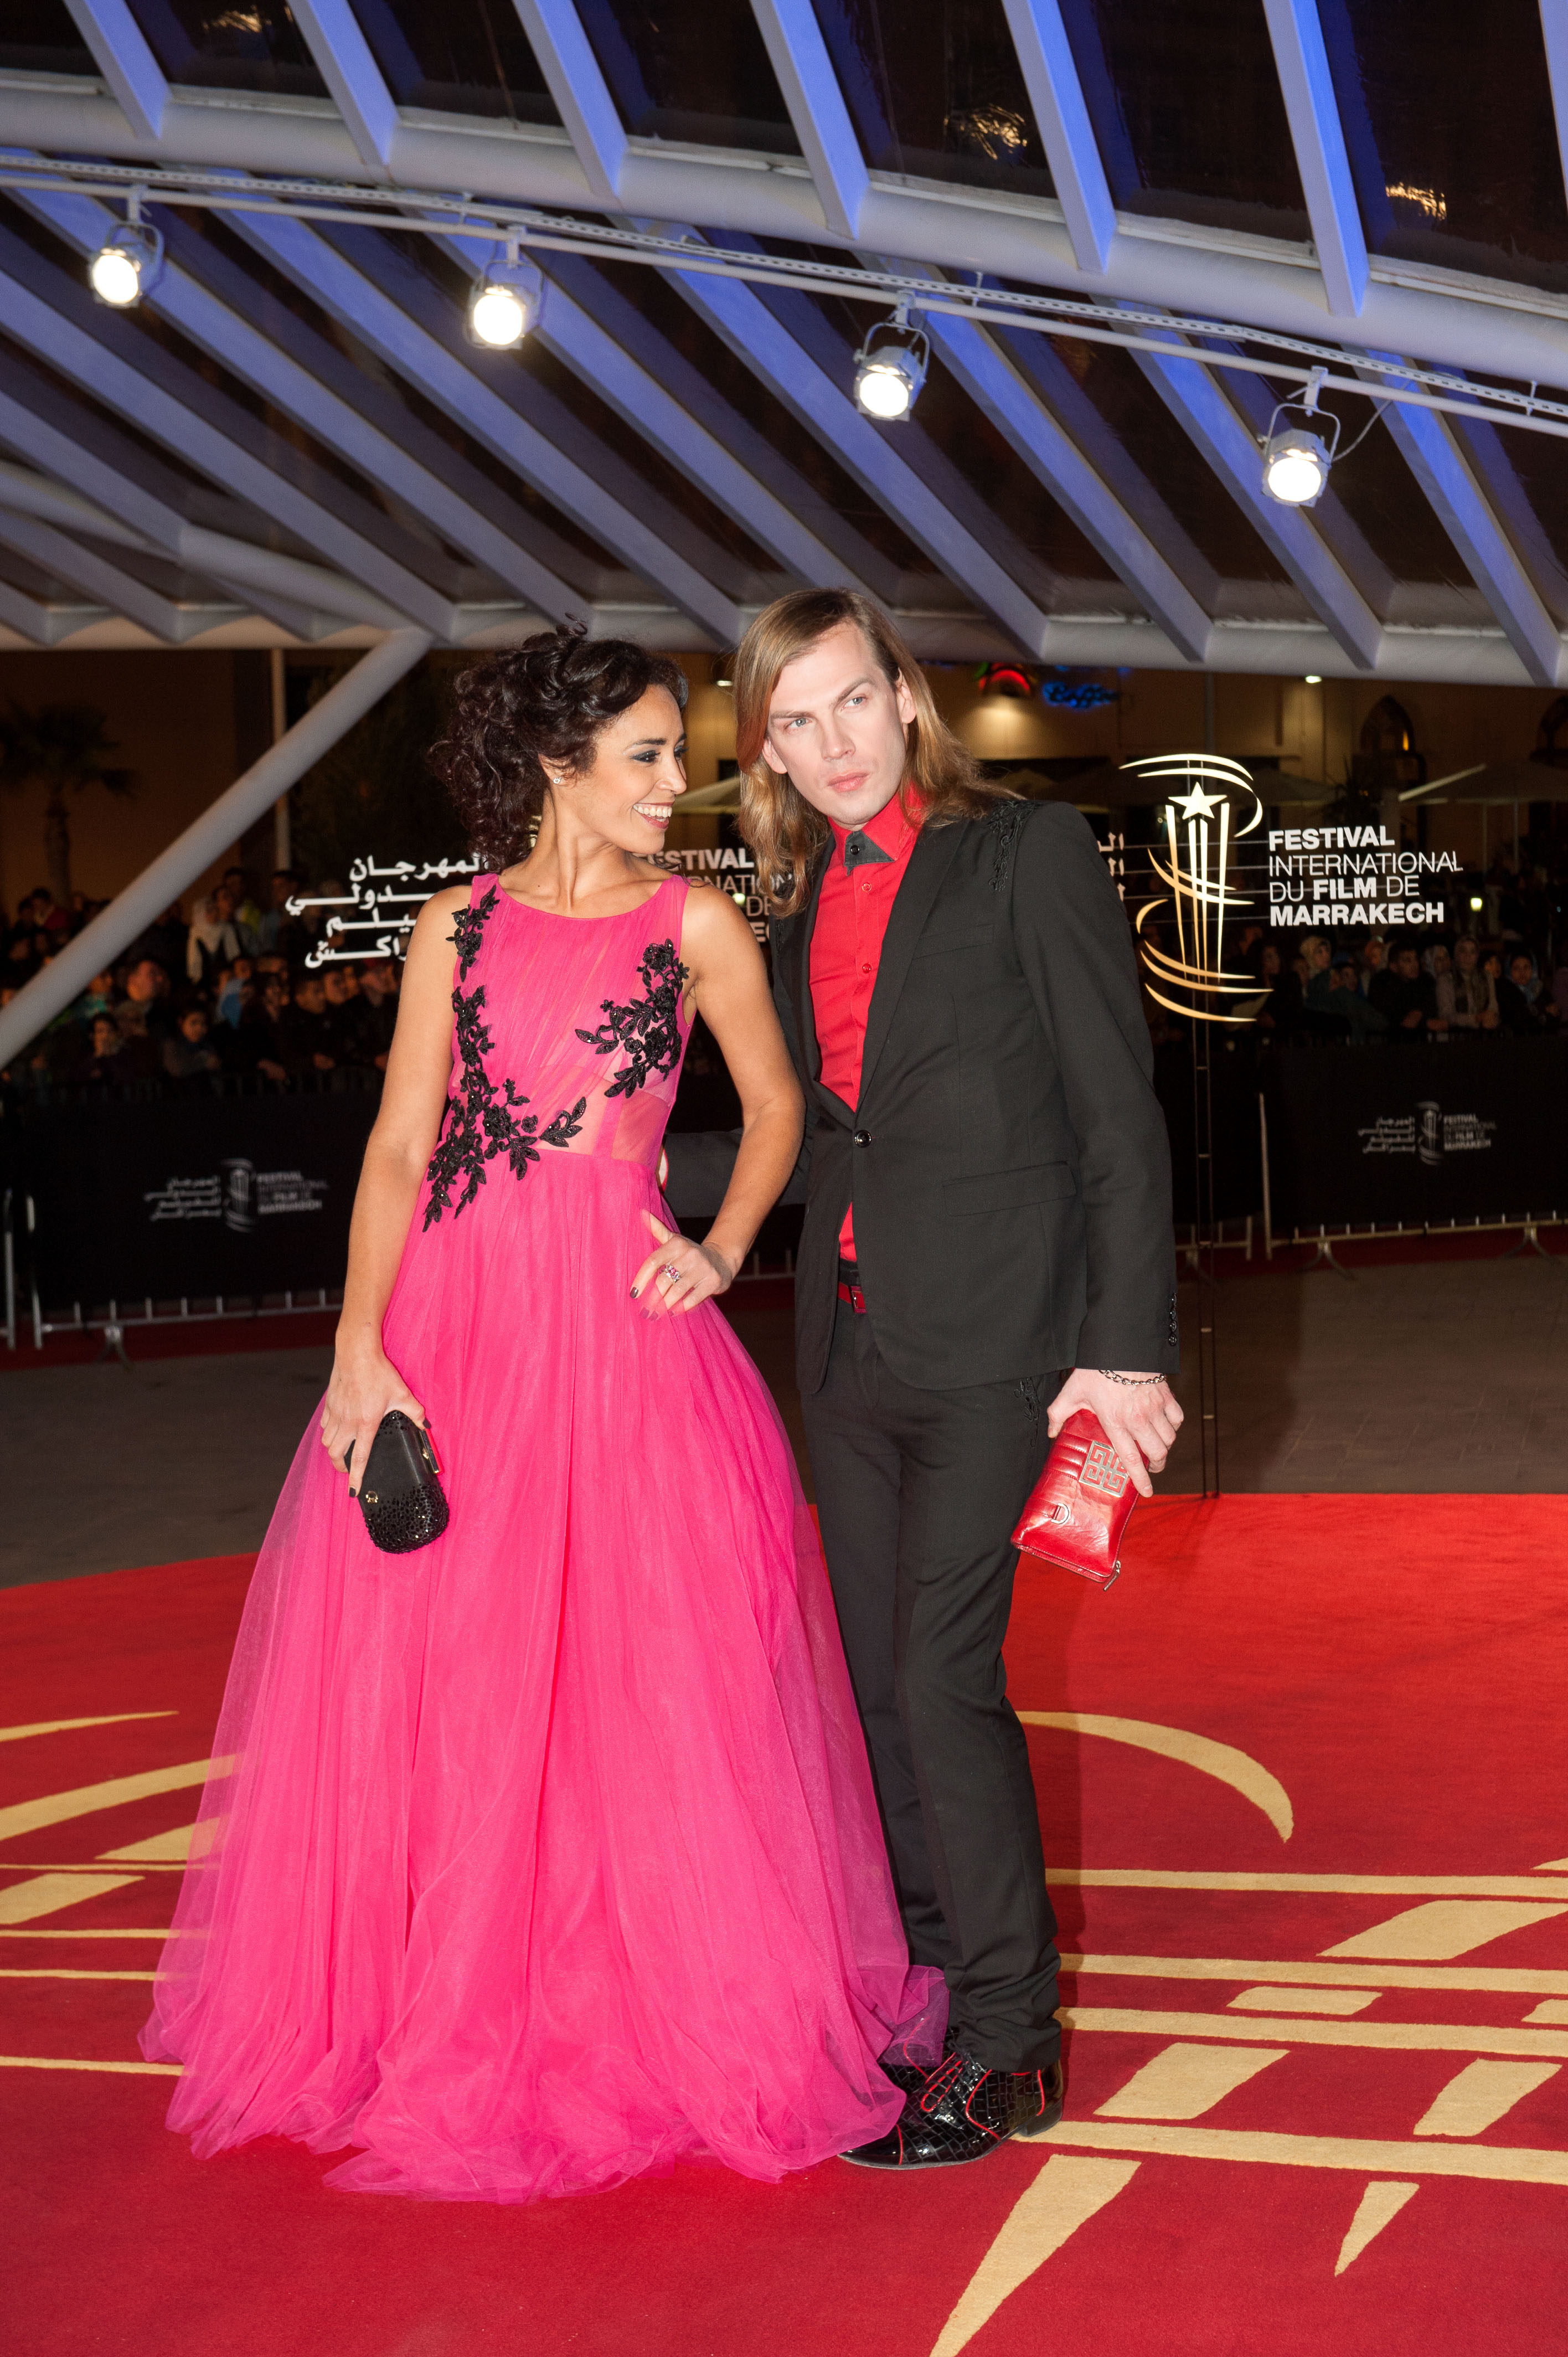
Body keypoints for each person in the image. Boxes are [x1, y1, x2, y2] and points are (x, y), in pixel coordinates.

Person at [143, 626, 942, 2201]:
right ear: (558, 765)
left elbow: (777, 1106)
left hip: (621, 1331)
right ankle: (449, 2001)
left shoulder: (693, 921)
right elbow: (397, 1144)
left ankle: (637, 2001)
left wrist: (721, 1248)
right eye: (645, 756)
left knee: (646, 1669)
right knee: (460, 1671)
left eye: (676, 755)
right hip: (454, 1325)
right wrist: (356, 1349)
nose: (673, 783)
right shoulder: (454, 926)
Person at [734, 589, 1180, 2170]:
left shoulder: (1022, 852)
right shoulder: (793, 906)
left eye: (852, 701)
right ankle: (933, 1997)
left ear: (906, 697)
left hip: (1003, 1342)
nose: (833, 744)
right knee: (875, 1691)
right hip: (849, 1345)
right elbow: (822, 1135)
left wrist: (1124, 1349)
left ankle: (1010, 2044)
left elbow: (1116, 1115)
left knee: (941, 1678)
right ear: (768, 753)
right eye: (796, 723)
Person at [1370, 943, 1441, 1041]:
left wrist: (1419, 1014)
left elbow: (1432, 1008)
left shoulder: (1425, 981)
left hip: (1421, 1042)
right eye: (1408, 961)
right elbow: (1389, 1015)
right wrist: (1421, 1020)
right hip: (1390, 1042)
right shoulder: (1381, 983)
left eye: (1416, 959)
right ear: (1393, 966)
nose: (1415, 965)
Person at [1437, 934, 1497, 1032]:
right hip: (1456, 1035)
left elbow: (1493, 1007)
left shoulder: (1486, 977)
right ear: (1456, 954)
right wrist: (1474, 1018)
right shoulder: (1446, 979)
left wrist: (1491, 1018)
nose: (1468, 956)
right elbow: (1446, 1015)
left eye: (1472, 952)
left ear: (1477, 956)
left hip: (1485, 1033)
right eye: (1463, 951)